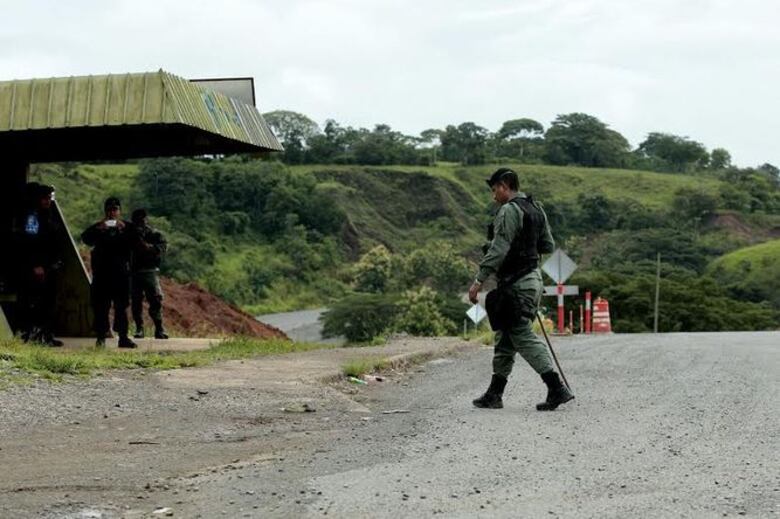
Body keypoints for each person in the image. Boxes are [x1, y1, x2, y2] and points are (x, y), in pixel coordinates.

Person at [468, 168, 574, 411]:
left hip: (518, 283)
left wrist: (478, 281)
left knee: (520, 333)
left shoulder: (509, 210)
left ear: (505, 186)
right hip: (532, 279)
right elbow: (547, 244)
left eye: (495, 190)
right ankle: (494, 394)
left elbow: (498, 249)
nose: (494, 196)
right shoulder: (536, 209)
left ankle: (556, 388)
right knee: (505, 337)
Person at [81, 197, 136, 348]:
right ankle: (101, 337)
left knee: (121, 307)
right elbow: (85, 238)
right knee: (100, 307)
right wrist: (99, 227)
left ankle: (123, 337)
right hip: (102, 274)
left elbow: (136, 240)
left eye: (115, 210)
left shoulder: (126, 227)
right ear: (105, 212)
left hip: (120, 274)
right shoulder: (99, 227)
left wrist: (122, 228)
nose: (112, 213)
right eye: (109, 210)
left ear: (119, 211)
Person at [15, 183, 63, 346]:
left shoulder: (47, 215)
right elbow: (30, 243)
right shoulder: (32, 217)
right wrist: (36, 265)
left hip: (49, 266)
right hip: (37, 268)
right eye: (45, 198)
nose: (48, 201)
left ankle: (46, 335)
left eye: (49, 198)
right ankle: (34, 335)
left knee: (48, 303)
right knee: (36, 303)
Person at [130, 208, 168, 339]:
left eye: (142, 220)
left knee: (155, 300)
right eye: (138, 221)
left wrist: (149, 248)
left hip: (149, 271)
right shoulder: (130, 235)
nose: (141, 223)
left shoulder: (153, 234)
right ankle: (139, 328)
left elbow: (163, 246)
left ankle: (159, 328)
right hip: (134, 272)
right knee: (136, 302)